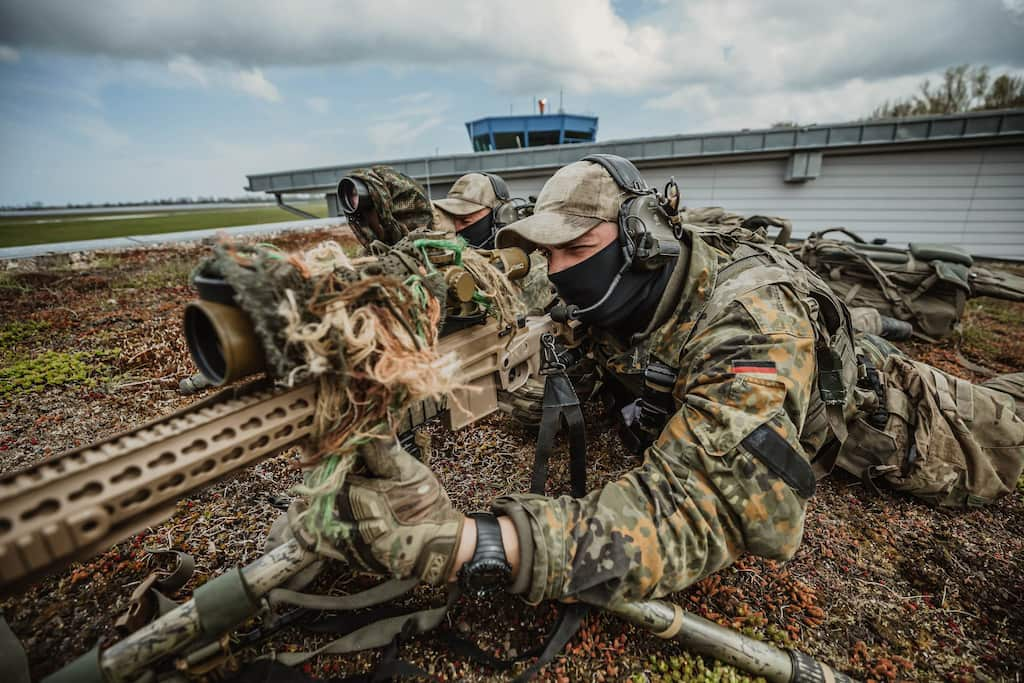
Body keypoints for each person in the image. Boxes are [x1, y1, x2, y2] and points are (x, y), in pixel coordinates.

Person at [327, 157, 1024, 609]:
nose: (561, 269)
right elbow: (530, 383)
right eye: (550, 251)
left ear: (642, 239)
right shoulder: (611, 302)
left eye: (578, 247)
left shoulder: (749, 318)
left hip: (926, 431)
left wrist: (483, 541)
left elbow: (704, 508)